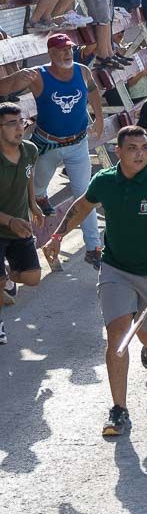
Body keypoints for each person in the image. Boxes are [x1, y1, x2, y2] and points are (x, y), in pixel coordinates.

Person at [45, 126, 147, 437]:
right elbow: (82, 206)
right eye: (132, 148)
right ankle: (119, 410)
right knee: (116, 337)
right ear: (119, 152)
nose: (140, 154)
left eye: (144, 148)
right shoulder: (104, 181)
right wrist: (58, 236)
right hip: (115, 268)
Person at [0, 34, 105, 267]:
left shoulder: (82, 70)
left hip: (77, 144)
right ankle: (21, 242)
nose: (67, 53)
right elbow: (4, 88)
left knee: (85, 195)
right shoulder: (38, 75)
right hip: (47, 145)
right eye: (61, 50)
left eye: (69, 49)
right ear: (51, 53)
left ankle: (93, 247)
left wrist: (98, 117)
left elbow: (93, 90)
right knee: (34, 191)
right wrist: (16, 77)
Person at [0, 103, 44, 346]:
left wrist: (33, 203)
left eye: (22, 122)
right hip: (5, 225)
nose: (20, 128)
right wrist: (10, 220)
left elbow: (28, 175)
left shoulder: (30, 150)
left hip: (19, 225)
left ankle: (6, 276)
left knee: (33, 278)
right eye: (12, 123)